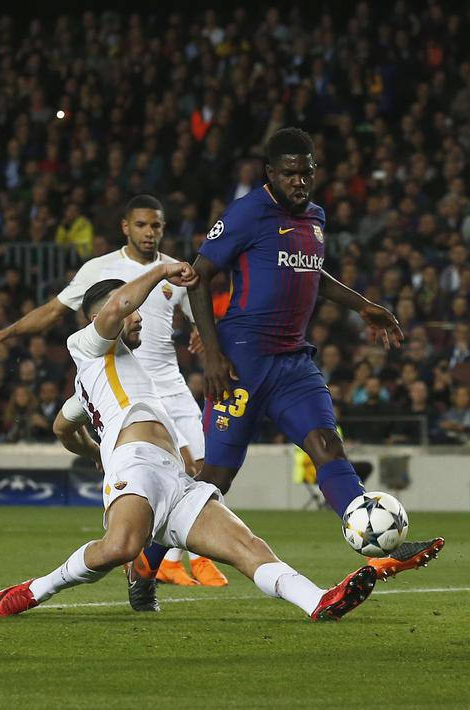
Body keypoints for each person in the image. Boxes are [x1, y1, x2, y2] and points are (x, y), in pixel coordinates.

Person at [0, 266, 378, 621]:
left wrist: (94, 451)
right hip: (135, 466)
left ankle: (317, 599)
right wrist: (161, 271)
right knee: (120, 547)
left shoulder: (95, 382)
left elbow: (61, 428)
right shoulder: (85, 345)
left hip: (174, 480)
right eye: (132, 312)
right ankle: (34, 590)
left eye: (138, 311)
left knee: (246, 544)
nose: (138, 317)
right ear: (96, 320)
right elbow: (118, 306)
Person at [161, 127, 443, 588]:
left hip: (293, 362)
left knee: (327, 445)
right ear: (270, 173)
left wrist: (362, 305)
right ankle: (147, 559)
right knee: (215, 480)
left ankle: (378, 546)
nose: (299, 181)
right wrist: (212, 353)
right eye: (290, 173)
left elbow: (311, 271)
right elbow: (199, 275)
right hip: (241, 364)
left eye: (306, 173)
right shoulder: (247, 213)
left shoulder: (314, 217)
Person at [0, 194, 230, 588]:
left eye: (156, 225)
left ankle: (168, 559)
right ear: (126, 227)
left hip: (171, 385)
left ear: (163, 228)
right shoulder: (99, 269)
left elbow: (202, 317)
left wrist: (204, 336)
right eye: (141, 225)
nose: (149, 232)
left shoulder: (177, 272)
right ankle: (172, 561)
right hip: (125, 389)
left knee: (204, 470)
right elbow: (54, 310)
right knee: (184, 469)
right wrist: (3, 334)